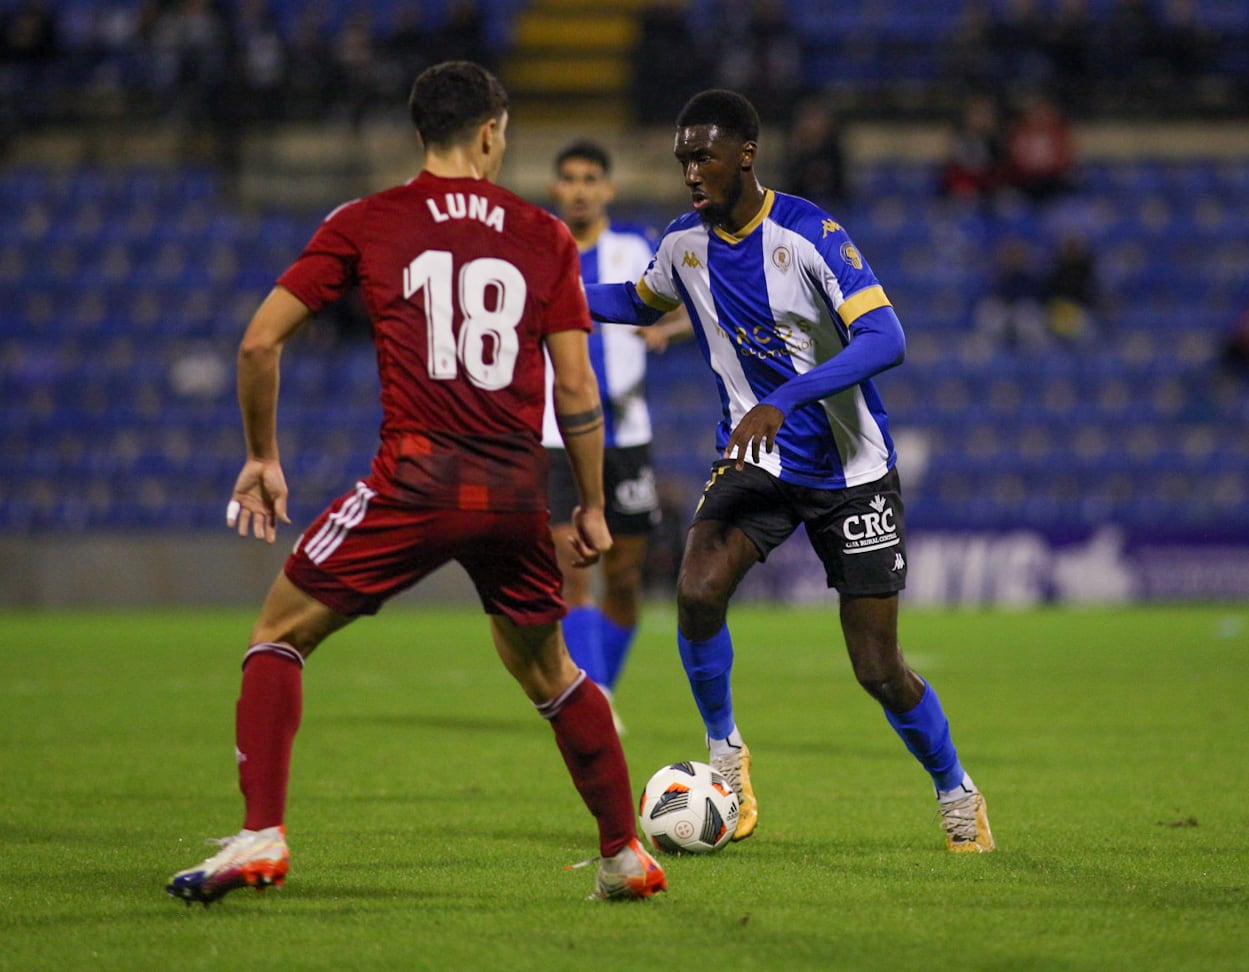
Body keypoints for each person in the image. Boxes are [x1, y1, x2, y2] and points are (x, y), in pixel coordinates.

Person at [165, 61, 666, 906]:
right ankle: (624, 854)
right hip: (512, 486)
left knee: (278, 634)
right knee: (552, 676)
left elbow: (259, 342)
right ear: (487, 133)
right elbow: (577, 390)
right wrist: (584, 503)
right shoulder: (544, 235)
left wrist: (262, 456)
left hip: (414, 477)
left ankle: (261, 834)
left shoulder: (367, 220)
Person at [584, 89, 995, 852]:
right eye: (681, 160)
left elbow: (885, 337)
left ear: (745, 153)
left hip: (850, 470)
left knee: (877, 669)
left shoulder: (808, 231)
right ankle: (725, 757)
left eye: (702, 157)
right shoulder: (683, 242)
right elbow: (640, 303)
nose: (689, 174)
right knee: (697, 591)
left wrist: (787, 394)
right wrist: (555, 301)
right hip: (757, 460)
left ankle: (955, 790)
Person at [541, 139, 690, 730]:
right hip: (555, 435)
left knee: (624, 576)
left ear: (608, 189)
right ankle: (595, 696)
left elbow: (693, 303)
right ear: (557, 189)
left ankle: (602, 685)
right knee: (572, 569)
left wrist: (666, 331)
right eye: (569, 178)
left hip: (627, 437)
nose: (579, 189)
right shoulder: (539, 248)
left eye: (590, 179)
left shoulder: (634, 248)